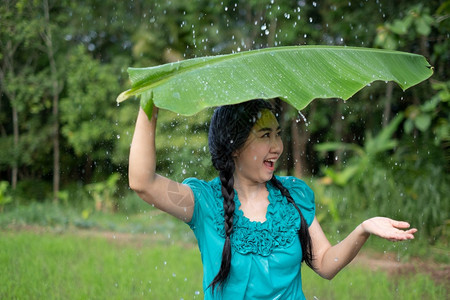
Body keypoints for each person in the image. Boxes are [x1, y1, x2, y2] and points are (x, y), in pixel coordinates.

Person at [128, 99, 417, 299]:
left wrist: (363, 228)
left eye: (277, 134)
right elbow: (143, 182)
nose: (277, 146)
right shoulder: (205, 202)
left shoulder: (294, 196)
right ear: (235, 146)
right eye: (265, 135)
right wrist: (149, 104)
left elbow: (327, 265)